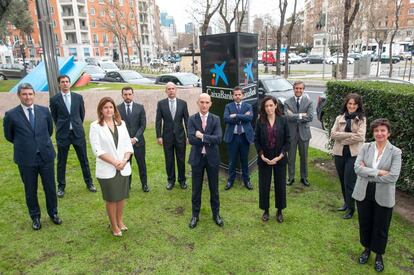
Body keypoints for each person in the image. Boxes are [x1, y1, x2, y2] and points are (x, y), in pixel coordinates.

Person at [3, 83, 62, 230]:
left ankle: (53, 213)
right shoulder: (11, 115)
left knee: (50, 187)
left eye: (30, 94)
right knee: (30, 190)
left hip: (46, 156)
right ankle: (35, 217)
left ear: (34, 95)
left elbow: (49, 130)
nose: (27, 97)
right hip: (26, 159)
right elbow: (9, 136)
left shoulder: (43, 111)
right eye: (24, 94)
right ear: (19, 96)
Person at [352, 118, 402, 272]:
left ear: (388, 133)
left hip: (384, 194)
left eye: (383, 131)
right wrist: (379, 172)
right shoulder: (366, 147)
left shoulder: (396, 152)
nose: (379, 133)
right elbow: (357, 168)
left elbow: (393, 176)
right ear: (373, 133)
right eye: (376, 131)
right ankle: (366, 249)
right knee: (365, 222)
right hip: (364, 192)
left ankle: (379, 254)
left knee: (381, 226)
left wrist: (367, 171)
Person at [89, 97, 134, 237]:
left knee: (121, 197)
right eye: (105, 107)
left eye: (111, 107)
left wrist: (125, 160)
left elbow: (128, 145)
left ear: (114, 109)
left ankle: (119, 221)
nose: (108, 110)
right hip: (108, 169)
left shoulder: (121, 124)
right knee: (112, 198)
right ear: (101, 110)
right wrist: (115, 163)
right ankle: (113, 225)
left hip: (123, 166)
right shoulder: (95, 126)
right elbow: (97, 150)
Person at [49, 75, 96, 198]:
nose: (65, 84)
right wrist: (62, 126)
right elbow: (54, 116)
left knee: (84, 160)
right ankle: (61, 187)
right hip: (63, 134)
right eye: (62, 82)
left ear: (70, 83)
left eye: (67, 81)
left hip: (77, 133)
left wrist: (76, 124)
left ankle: (89, 183)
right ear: (59, 84)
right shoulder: (54, 99)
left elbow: (81, 114)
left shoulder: (78, 97)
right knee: (61, 161)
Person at [187, 93, 223, 229]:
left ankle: (216, 214)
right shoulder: (192, 119)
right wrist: (209, 138)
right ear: (198, 103)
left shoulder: (216, 119)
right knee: (196, 189)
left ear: (210, 104)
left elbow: (219, 139)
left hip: (212, 159)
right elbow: (191, 139)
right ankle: (195, 215)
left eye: (207, 102)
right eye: (202, 102)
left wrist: (201, 136)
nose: (204, 105)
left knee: (214, 189)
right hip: (197, 159)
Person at [254, 96, 290, 223]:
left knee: (280, 185)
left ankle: (279, 211)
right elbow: (256, 139)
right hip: (265, 158)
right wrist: (261, 155)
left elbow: (288, 141)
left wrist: (280, 156)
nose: (269, 108)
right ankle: (266, 210)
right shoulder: (260, 121)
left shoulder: (283, 120)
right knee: (264, 185)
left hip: (279, 158)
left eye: (271, 105)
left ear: (275, 106)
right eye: (266, 106)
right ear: (264, 108)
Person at [330, 93, 366, 219]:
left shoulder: (362, 119)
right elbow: (333, 134)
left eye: (354, 104)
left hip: (353, 155)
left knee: (349, 182)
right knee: (342, 180)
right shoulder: (339, 117)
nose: (351, 106)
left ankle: (351, 209)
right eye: (349, 103)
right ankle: (346, 203)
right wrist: (350, 135)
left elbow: (361, 137)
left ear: (358, 106)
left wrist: (344, 137)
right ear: (346, 104)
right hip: (339, 154)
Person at [156, 82, 189, 190]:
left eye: (173, 88)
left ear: (176, 90)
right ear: (166, 91)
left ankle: (182, 180)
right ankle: (170, 180)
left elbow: (187, 120)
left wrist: (189, 135)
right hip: (167, 137)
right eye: (169, 89)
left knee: (181, 159)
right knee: (169, 160)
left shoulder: (183, 103)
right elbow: (158, 121)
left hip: (180, 136)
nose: (171, 90)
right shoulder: (161, 104)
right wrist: (159, 136)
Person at [117, 87, 149, 192]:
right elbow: (117, 126)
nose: (128, 96)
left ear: (133, 94)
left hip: (138, 142)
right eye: (125, 94)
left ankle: (144, 184)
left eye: (129, 94)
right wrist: (126, 139)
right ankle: (127, 185)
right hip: (124, 144)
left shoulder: (140, 107)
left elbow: (143, 125)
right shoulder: (118, 109)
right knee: (126, 165)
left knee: (141, 164)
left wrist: (135, 138)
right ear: (122, 95)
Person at [223, 86, 254, 190]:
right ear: (233, 96)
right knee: (232, 161)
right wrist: (242, 116)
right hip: (233, 137)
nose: (237, 96)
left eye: (239, 94)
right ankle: (230, 181)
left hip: (244, 137)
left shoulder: (248, 106)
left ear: (242, 95)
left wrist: (235, 115)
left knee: (244, 160)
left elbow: (249, 118)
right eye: (235, 95)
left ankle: (247, 180)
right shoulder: (228, 106)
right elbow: (226, 119)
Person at [284, 80, 313, 187]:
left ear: (303, 90)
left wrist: (295, 116)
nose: (298, 90)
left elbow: (310, 117)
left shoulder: (309, 102)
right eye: (296, 88)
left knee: (304, 157)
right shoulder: (287, 102)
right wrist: (301, 115)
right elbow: (287, 117)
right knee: (291, 157)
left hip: (304, 134)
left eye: (300, 88)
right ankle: (290, 178)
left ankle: (304, 178)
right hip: (291, 134)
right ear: (293, 89)